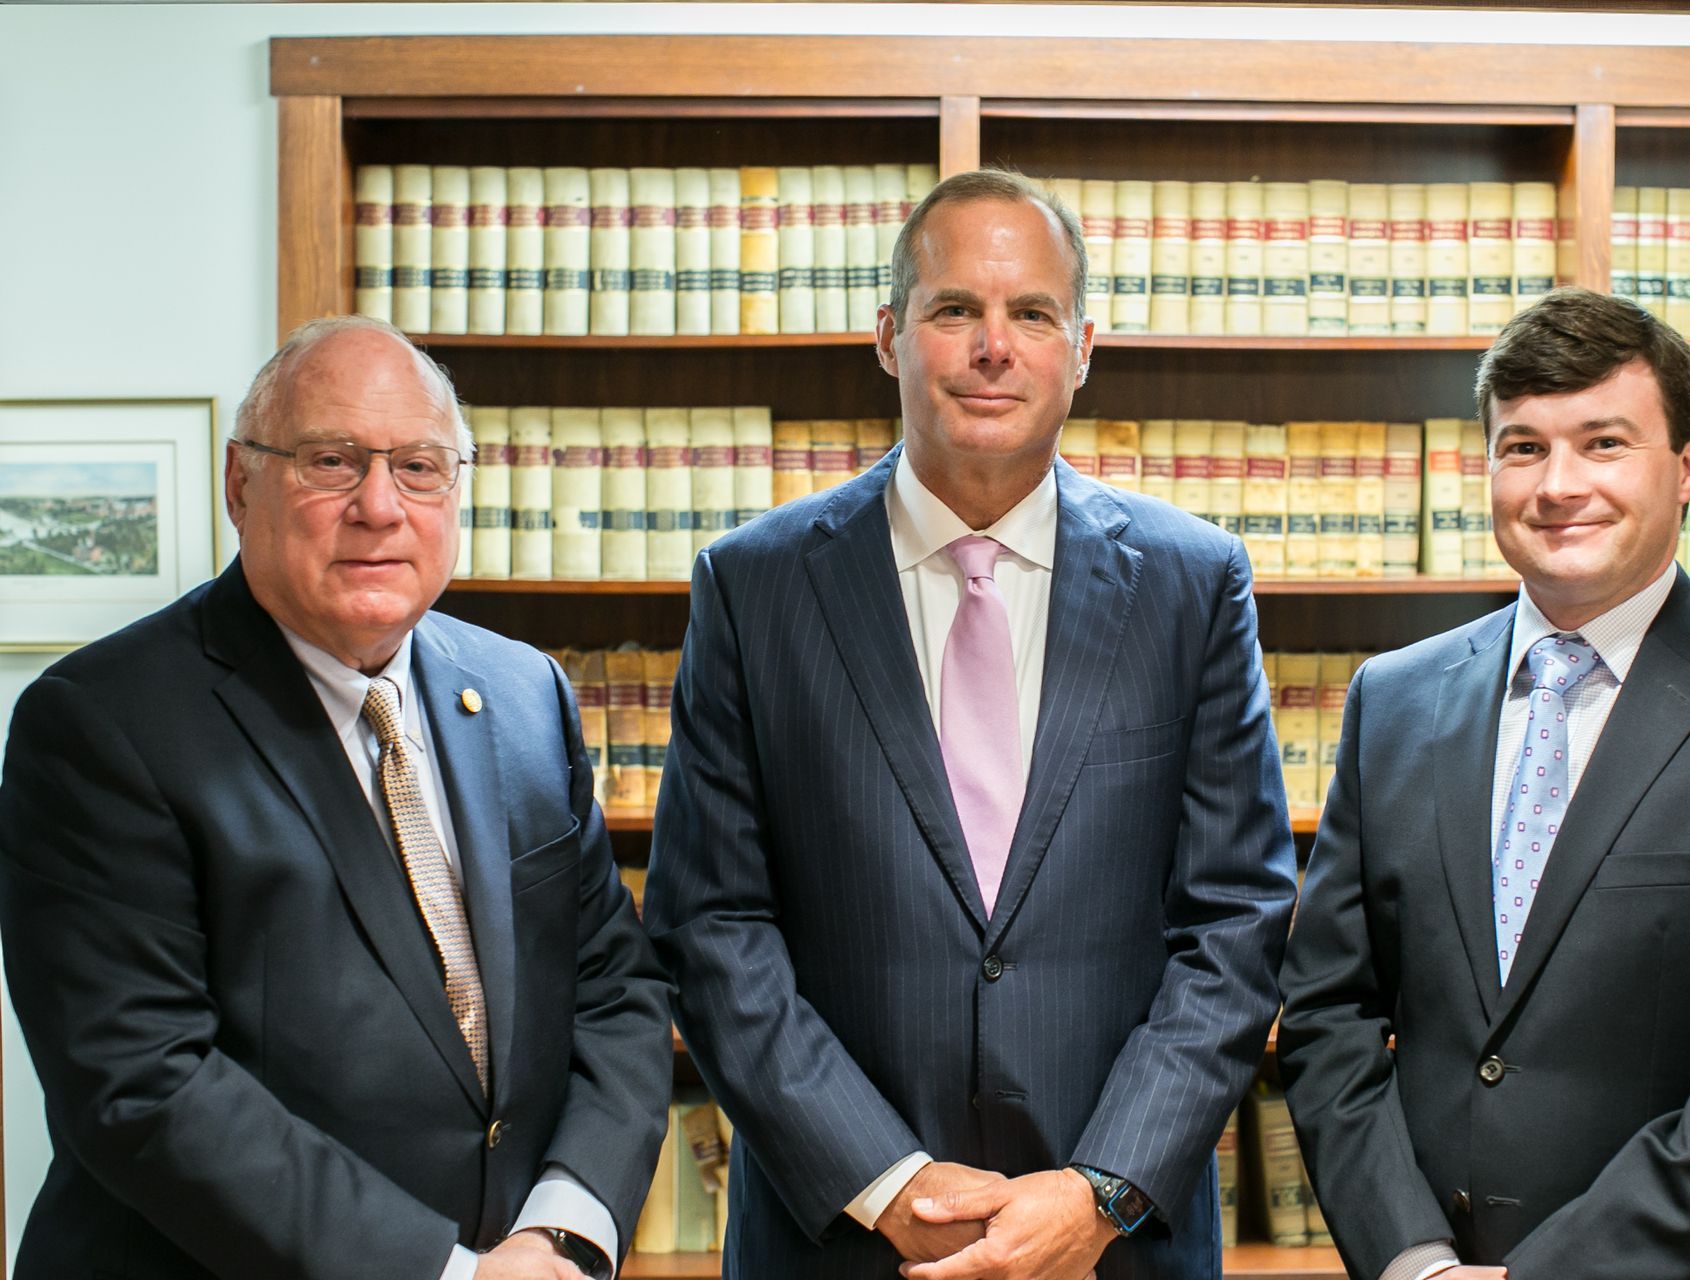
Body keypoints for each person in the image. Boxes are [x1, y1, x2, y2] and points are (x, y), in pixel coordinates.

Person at [643, 169, 1293, 1280]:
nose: (996, 345)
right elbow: (712, 927)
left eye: (1031, 313)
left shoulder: (1193, 583)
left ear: (1082, 347)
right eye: (956, 309)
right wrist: (892, 1181)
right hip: (843, 1245)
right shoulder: (753, 586)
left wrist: (1103, 1186)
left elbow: (1235, 920)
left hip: (1114, 1244)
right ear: (890, 335)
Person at [0, 316, 673, 1280]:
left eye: (420, 467)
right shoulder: (101, 724)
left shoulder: (525, 693)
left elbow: (616, 990)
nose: (379, 506)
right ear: (241, 484)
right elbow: (143, 1084)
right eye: (331, 461)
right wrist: (446, 1272)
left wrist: (562, 1227)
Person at [1276, 287, 1690, 1280]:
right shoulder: (1391, 700)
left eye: (1603, 442)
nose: (1559, 483)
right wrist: (1410, 1255)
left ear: (1689, 464)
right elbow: (1326, 1015)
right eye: (1522, 446)